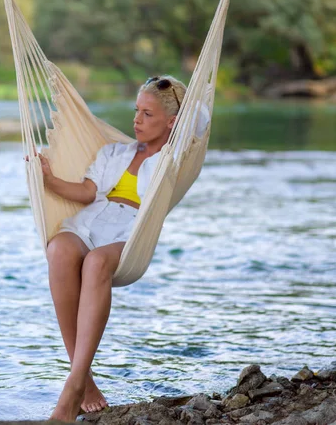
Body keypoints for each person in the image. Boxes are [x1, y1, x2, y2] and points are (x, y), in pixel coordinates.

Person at [39, 75, 210, 422]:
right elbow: (87, 192)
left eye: (148, 114)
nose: (136, 120)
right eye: (136, 110)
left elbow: (202, 119)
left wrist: (178, 96)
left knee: (96, 263)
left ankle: (72, 388)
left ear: (172, 122)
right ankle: (82, 379)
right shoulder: (113, 151)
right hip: (90, 222)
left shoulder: (171, 159)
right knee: (58, 249)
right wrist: (47, 179)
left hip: (128, 233)